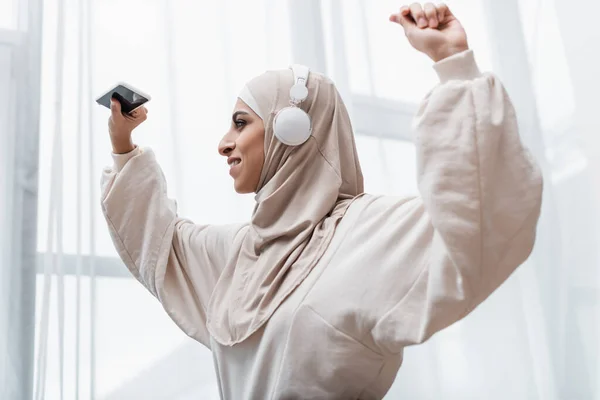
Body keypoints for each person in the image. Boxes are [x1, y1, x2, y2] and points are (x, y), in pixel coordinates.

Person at [101, 3, 543, 399]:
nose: (224, 142)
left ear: (291, 127)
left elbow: (478, 220)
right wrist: (124, 147)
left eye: (240, 123)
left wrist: (454, 66)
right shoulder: (242, 254)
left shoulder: (366, 233)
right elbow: (161, 246)